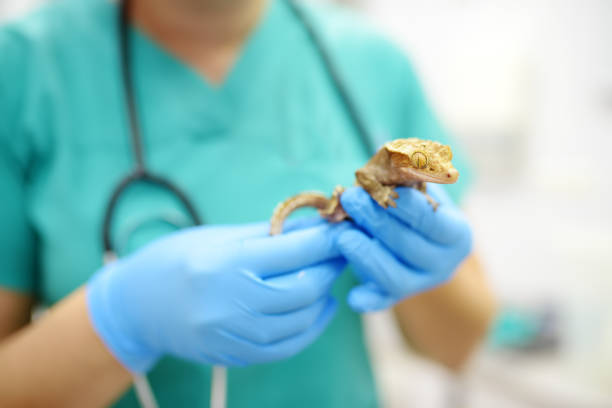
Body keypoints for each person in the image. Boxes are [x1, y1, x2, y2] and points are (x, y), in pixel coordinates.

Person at [0, 0, 496, 406]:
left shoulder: (373, 64)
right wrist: (118, 318)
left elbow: (460, 346)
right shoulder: (23, 68)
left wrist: (423, 264)